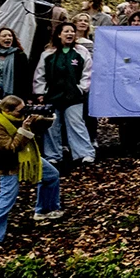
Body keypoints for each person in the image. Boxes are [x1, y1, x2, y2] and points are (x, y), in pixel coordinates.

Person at [0, 95, 62, 253]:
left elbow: (42, 125)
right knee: (6, 198)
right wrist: (24, 129)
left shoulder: (19, 117)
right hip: (8, 164)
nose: (23, 112)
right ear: (8, 111)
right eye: (20, 110)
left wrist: (46, 115)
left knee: (51, 176)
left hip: (27, 159)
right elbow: (10, 148)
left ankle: (44, 210)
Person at [33, 22, 94, 168]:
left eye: (72, 31)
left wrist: (81, 89)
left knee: (76, 123)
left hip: (73, 96)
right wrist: (40, 92)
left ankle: (84, 153)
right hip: (52, 96)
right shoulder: (48, 53)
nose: (70, 34)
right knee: (52, 126)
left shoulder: (81, 52)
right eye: (66, 31)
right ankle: (53, 155)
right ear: (59, 34)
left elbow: (88, 72)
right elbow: (40, 74)